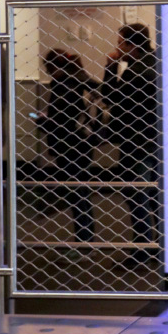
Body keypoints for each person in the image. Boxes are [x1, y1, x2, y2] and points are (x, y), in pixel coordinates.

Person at [101, 23, 160, 268]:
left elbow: (109, 96)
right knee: (154, 194)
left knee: (135, 194)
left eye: (120, 43)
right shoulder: (157, 63)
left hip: (135, 142)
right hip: (155, 139)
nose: (117, 48)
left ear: (131, 45)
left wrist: (110, 65)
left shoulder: (135, 71)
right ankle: (160, 247)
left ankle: (142, 250)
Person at [42, 50, 98, 246]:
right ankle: (86, 240)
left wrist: (42, 121)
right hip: (82, 143)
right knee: (81, 192)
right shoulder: (79, 80)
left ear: (54, 67)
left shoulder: (65, 86)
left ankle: (84, 242)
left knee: (76, 194)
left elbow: (60, 119)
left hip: (68, 146)